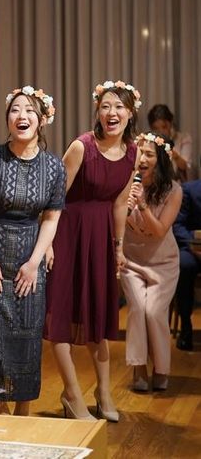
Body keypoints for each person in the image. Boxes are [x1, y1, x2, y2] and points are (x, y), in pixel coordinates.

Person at [44, 80, 141, 422]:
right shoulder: (81, 147)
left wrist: (119, 247)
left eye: (119, 107)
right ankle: (72, 395)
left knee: (98, 314)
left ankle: (104, 392)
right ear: (97, 112)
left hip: (100, 236)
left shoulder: (133, 153)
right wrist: (47, 243)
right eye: (105, 106)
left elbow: (119, 204)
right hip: (68, 233)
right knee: (61, 313)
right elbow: (54, 198)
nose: (112, 112)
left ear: (130, 114)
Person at [0, 86, 65, 416]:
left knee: (28, 336)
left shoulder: (54, 167)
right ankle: (0, 410)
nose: (21, 116)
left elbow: (51, 218)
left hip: (29, 256)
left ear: (42, 120)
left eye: (29, 111)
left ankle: (23, 414)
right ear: (8, 118)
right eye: (15, 110)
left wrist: (35, 262)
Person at [120, 132, 182, 391]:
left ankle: (160, 367)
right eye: (139, 153)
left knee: (154, 312)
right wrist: (124, 206)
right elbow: (114, 221)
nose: (142, 159)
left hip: (163, 263)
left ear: (161, 160)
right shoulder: (125, 183)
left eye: (149, 154)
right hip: (131, 260)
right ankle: (138, 368)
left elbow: (159, 231)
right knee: (136, 309)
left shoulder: (173, 190)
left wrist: (143, 204)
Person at [172, 179, 201, 351]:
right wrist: (194, 245)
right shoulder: (189, 189)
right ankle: (185, 327)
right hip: (191, 248)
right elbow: (177, 225)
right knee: (184, 265)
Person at [147, 104, 193, 182]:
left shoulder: (183, 138)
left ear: (171, 123)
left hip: (179, 184)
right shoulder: (148, 141)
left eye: (164, 127)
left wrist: (171, 151)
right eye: (156, 128)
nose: (161, 131)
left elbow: (185, 166)